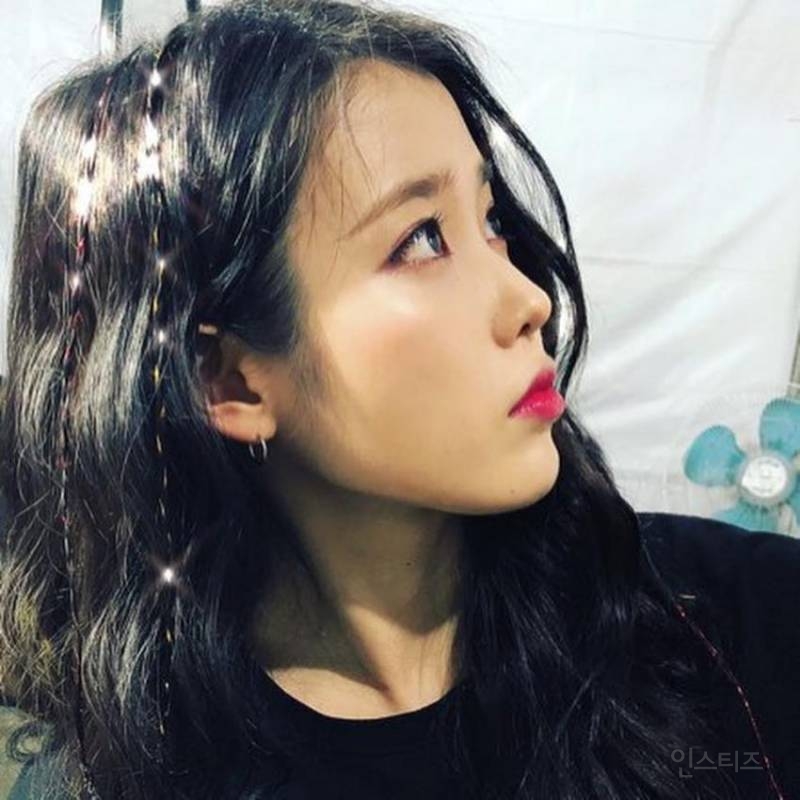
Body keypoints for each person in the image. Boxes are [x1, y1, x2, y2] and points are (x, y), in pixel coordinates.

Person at [0, 1, 798, 798]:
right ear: (227, 381)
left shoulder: (731, 620)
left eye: (491, 219)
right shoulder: (131, 775)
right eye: (421, 240)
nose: (530, 299)